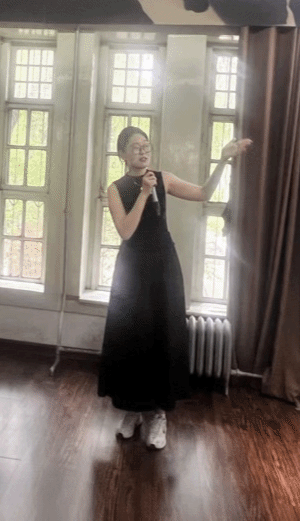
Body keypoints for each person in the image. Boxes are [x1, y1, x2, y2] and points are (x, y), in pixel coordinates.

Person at [98, 126, 252, 450]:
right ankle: (133, 409)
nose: (143, 151)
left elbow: (203, 193)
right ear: (122, 154)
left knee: (160, 336)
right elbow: (126, 231)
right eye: (136, 147)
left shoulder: (163, 179)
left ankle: (158, 415)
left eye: (146, 145)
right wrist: (143, 193)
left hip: (163, 267)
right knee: (131, 339)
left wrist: (223, 160)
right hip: (131, 271)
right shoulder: (116, 189)